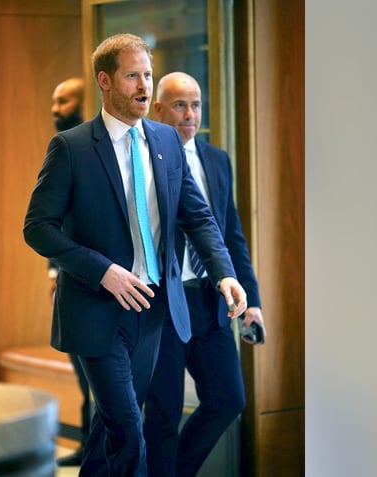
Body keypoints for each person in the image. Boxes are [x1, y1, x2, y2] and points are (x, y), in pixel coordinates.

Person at [24, 33, 248, 477]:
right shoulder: (71, 147)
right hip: (96, 308)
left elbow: (198, 217)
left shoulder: (166, 141)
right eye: (132, 76)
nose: (144, 85)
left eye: (147, 74)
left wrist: (224, 272)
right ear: (105, 81)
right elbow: (37, 228)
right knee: (128, 427)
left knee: (110, 433)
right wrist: (103, 271)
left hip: (153, 310)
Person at [143, 72, 267, 477]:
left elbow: (231, 234)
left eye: (196, 105)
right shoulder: (144, 159)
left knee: (228, 400)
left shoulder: (216, 159)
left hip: (211, 303)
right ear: (158, 109)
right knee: (162, 415)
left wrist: (252, 300)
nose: (189, 114)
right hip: (162, 303)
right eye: (179, 105)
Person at [47, 76, 91, 467]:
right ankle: (90, 444)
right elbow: (50, 219)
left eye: (63, 101)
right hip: (74, 280)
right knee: (83, 372)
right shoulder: (64, 147)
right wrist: (52, 274)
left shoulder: (94, 145)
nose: (55, 109)